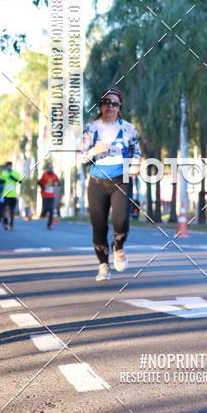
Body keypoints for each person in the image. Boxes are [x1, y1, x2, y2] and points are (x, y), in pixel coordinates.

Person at [81, 88, 141, 281]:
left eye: (114, 103)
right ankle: (103, 265)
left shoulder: (128, 128)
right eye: (107, 102)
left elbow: (136, 151)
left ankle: (119, 247)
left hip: (121, 179)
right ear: (101, 105)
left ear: (119, 107)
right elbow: (79, 157)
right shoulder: (91, 128)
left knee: (120, 220)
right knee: (98, 226)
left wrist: (136, 164)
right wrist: (93, 151)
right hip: (97, 181)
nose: (110, 106)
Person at [0, 161, 22, 230]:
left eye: (10, 165)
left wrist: (13, 178)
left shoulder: (15, 173)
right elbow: (0, 181)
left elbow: (20, 181)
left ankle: (11, 224)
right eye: (8, 166)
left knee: (12, 210)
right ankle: (6, 223)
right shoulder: (3, 173)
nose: (9, 167)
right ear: (6, 166)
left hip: (13, 195)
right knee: (6, 209)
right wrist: (1, 181)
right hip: (6, 194)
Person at [38, 163, 60, 229]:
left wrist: (57, 183)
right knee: (45, 208)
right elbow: (39, 182)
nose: (50, 169)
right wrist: (43, 186)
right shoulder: (44, 174)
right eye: (49, 167)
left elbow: (59, 183)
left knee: (51, 210)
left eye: (51, 167)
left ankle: (49, 225)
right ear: (47, 168)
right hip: (44, 194)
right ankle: (43, 213)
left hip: (51, 195)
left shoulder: (55, 175)